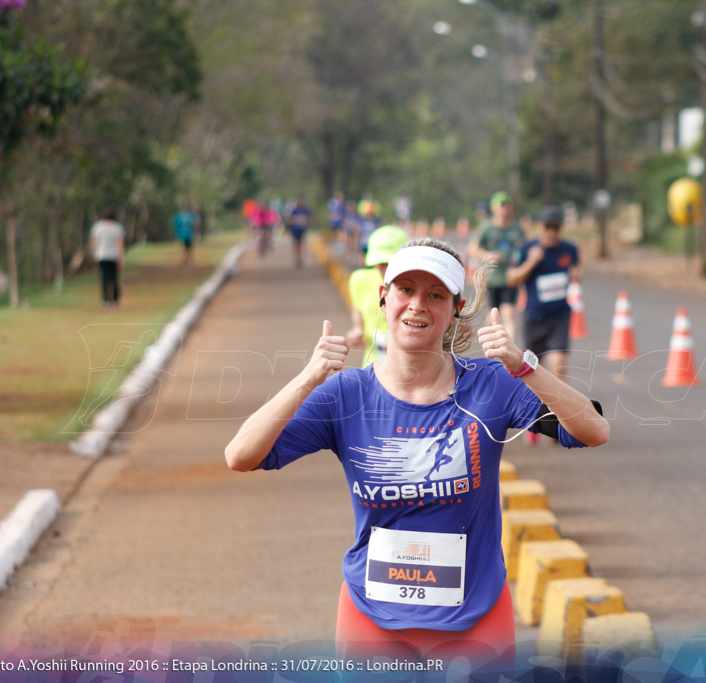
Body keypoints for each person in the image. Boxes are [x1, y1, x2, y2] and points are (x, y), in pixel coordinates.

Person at [225, 238, 609, 665]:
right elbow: (240, 455)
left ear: (456, 307)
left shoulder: (490, 385)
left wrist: (522, 365)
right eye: (406, 289)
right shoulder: (345, 394)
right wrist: (306, 380)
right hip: (372, 618)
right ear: (383, 297)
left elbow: (593, 430)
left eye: (435, 295)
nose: (417, 305)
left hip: (476, 617)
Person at [506, 205, 581, 381]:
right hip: (534, 318)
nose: (552, 232)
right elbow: (511, 279)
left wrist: (576, 275)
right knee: (535, 372)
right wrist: (531, 262)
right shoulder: (526, 249)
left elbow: (578, 272)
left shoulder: (569, 250)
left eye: (556, 227)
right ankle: (541, 407)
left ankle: (560, 408)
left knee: (559, 367)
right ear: (540, 227)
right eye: (548, 227)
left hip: (559, 317)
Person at [346, 225, 409, 366]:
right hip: (373, 366)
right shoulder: (359, 280)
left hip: (412, 367)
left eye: (391, 263)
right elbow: (358, 311)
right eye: (381, 263)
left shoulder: (420, 290)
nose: (386, 269)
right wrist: (357, 330)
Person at [468, 191, 524, 335]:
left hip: (510, 278)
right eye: (501, 206)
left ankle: (509, 349)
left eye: (507, 206)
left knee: (509, 314)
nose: (504, 209)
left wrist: (520, 262)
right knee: (493, 316)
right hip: (492, 278)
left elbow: (523, 248)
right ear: (494, 208)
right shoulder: (487, 228)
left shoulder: (516, 229)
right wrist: (487, 255)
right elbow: (472, 248)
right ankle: (492, 345)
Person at [89, 207, 125, 309]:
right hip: (114, 255)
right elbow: (120, 244)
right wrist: (121, 257)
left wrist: (92, 253)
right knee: (114, 278)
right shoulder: (117, 227)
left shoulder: (98, 227)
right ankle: (114, 300)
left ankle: (105, 300)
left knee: (104, 278)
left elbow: (94, 241)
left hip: (102, 255)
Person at [286, 198, 311, 267]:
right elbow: (288, 218)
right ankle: (297, 258)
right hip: (295, 230)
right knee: (296, 245)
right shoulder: (293, 211)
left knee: (301, 244)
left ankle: (300, 258)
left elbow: (309, 217)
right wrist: (292, 222)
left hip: (301, 230)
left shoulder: (304, 210)